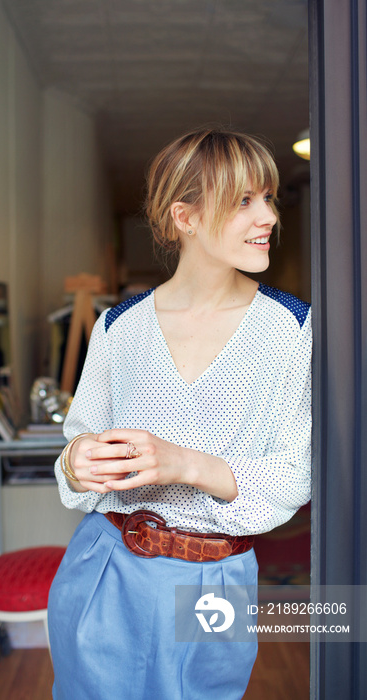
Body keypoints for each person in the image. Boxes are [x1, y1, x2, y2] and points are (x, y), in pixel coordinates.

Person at [47, 127, 312, 700]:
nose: (267, 216)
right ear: (184, 217)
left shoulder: (293, 329)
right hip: (103, 566)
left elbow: (293, 475)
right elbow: (76, 445)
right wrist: (75, 460)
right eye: (244, 200)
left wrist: (183, 463)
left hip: (215, 578)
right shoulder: (120, 327)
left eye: (268, 198)